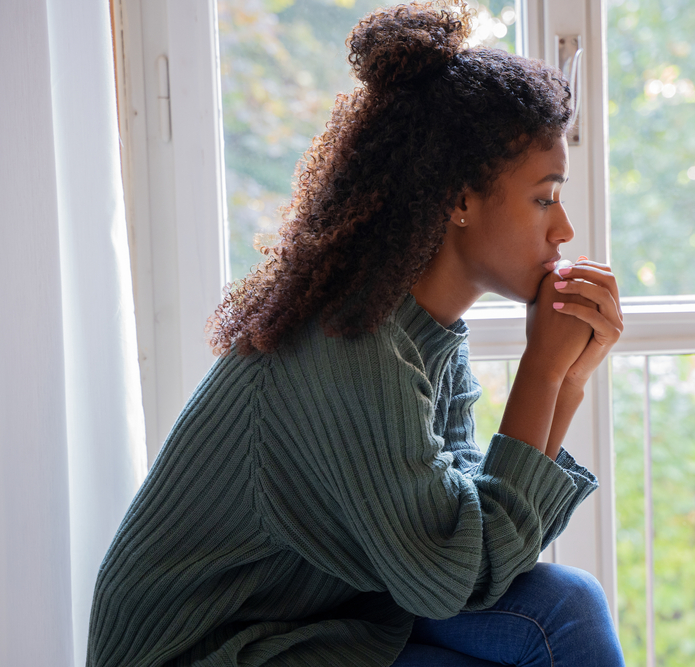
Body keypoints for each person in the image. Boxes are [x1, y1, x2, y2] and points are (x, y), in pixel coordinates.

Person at [86, 2, 625, 665]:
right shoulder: (355, 346)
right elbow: (449, 578)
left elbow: (471, 547)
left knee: (564, 607)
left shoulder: (422, 335)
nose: (563, 228)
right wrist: (542, 373)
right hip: (217, 650)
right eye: (545, 197)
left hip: (320, 620)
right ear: (459, 199)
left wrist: (566, 380)